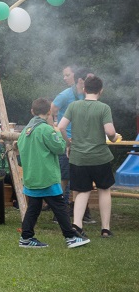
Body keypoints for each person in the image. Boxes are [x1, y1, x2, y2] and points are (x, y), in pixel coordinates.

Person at [17, 98, 90, 249]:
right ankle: (70, 237)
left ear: (32, 111)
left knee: (34, 208)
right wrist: (61, 137)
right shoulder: (46, 129)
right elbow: (59, 148)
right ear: (49, 111)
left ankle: (26, 237)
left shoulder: (25, 131)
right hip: (46, 177)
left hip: (31, 176)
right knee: (60, 206)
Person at [57, 75, 120, 238]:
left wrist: (68, 143)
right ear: (101, 91)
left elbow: (61, 127)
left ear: (84, 89)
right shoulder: (104, 108)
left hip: (78, 157)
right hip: (100, 157)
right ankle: (105, 229)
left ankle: (77, 225)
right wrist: (113, 138)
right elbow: (110, 132)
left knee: (81, 190)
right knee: (104, 190)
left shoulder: (73, 106)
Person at [51, 66, 92, 219]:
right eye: (90, 79)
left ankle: (81, 212)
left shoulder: (89, 94)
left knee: (83, 176)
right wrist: (54, 132)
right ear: (81, 80)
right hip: (66, 142)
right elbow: (51, 112)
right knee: (64, 178)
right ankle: (59, 212)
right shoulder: (65, 95)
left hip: (84, 142)